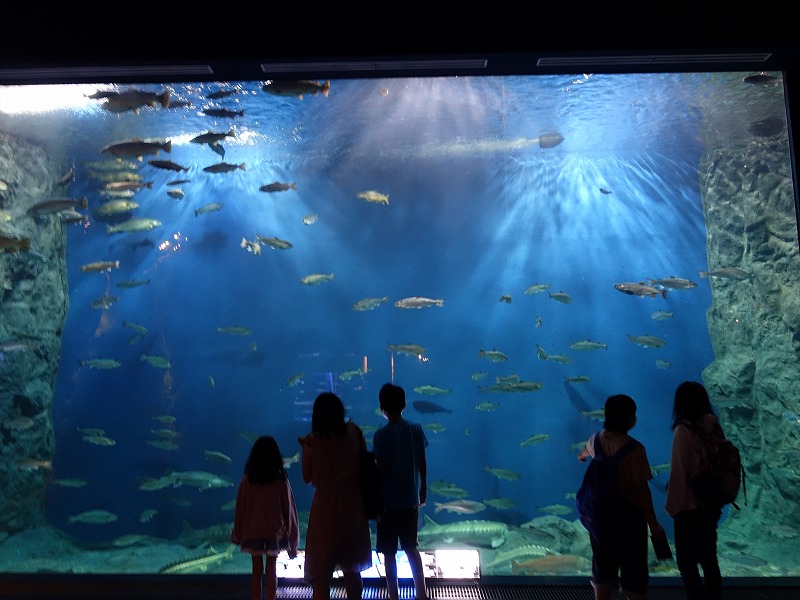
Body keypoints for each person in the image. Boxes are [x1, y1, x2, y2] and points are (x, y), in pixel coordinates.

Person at [578, 394, 667, 600]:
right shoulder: (635, 450)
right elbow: (642, 490)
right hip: (629, 519)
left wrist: (583, 456)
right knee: (633, 569)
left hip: (600, 518)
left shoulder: (596, 440)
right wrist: (654, 524)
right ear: (631, 419)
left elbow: (583, 452)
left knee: (602, 565)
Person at [298, 392, 373, 600]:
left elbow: (306, 477)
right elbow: (364, 463)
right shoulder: (355, 432)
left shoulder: (312, 442)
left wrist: (306, 449)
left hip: (325, 506)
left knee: (321, 573)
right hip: (352, 503)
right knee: (352, 567)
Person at [665, 381, 723, 600]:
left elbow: (679, 473)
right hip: (711, 502)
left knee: (686, 563)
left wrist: (672, 507)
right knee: (709, 559)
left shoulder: (683, 430)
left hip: (689, 507)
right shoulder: (714, 425)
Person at [372, 383, 429, 600]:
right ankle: (421, 593)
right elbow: (422, 461)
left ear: (382, 408)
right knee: (411, 548)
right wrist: (423, 487)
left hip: (386, 502)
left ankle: (393, 595)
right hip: (409, 500)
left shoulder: (380, 435)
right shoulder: (416, 429)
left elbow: (381, 468)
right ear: (404, 405)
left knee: (388, 553)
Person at [231, 435, 300, 600]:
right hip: (274, 531)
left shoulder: (247, 481)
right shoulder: (281, 481)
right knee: (272, 570)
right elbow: (289, 512)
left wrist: (237, 534)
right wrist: (293, 542)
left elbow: (240, 509)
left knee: (256, 571)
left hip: (252, 531)